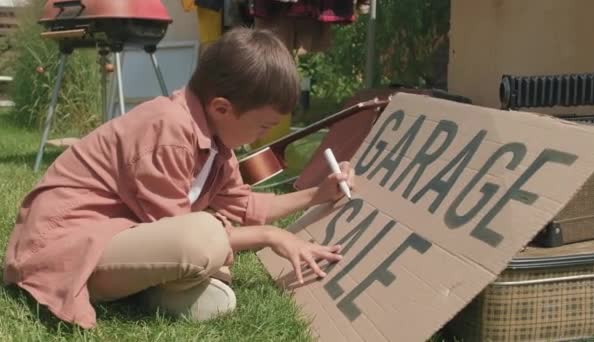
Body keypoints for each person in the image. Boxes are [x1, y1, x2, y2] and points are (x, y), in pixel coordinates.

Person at [2, 27, 353, 329]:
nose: (261, 137)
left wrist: (317, 194)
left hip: (115, 238)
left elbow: (246, 205)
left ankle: (150, 288)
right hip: (66, 246)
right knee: (205, 237)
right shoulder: (168, 129)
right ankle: (137, 286)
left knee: (214, 268)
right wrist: (268, 235)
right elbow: (178, 228)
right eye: (262, 126)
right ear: (221, 108)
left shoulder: (217, 145)